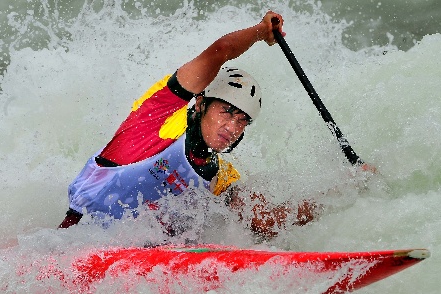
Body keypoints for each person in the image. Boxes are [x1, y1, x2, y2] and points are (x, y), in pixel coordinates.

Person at [58, 11, 317, 238]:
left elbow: (264, 223)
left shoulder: (220, 175)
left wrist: (338, 195)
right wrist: (262, 31)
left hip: (139, 267)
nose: (232, 126)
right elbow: (221, 51)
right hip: (75, 244)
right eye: (227, 111)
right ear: (201, 103)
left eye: (242, 121)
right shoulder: (158, 116)